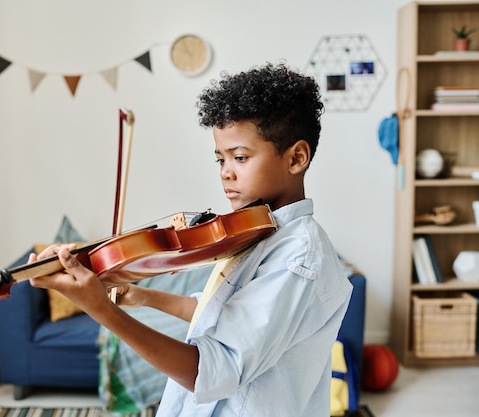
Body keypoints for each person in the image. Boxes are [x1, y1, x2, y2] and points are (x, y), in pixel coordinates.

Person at [29, 62, 353, 417]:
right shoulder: (261, 232)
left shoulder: (298, 258)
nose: (226, 172)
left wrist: (100, 309)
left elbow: (214, 371)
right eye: (220, 159)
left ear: (297, 158)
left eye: (240, 157)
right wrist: (144, 296)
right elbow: (221, 314)